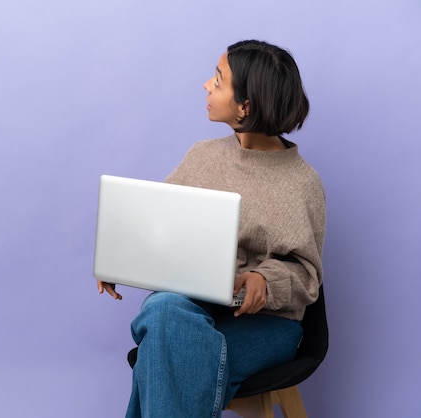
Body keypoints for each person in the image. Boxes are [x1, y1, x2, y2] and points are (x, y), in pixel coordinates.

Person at [97, 40, 326, 418]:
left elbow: (307, 276)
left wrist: (264, 282)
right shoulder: (202, 157)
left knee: (165, 354)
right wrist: (121, 260)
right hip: (195, 305)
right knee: (164, 309)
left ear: (245, 107)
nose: (206, 85)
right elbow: (158, 223)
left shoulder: (301, 183)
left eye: (218, 81)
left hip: (268, 323)